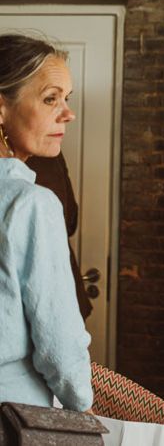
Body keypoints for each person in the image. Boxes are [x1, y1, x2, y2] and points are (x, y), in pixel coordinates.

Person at [0, 33, 93, 411]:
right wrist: (82, 403)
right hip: (16, 415)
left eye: (66, 99)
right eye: (50, 98)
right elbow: (60, 345)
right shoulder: (32, 205)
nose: (67, 113)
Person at [26, 152, 93, 320]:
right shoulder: (47, 152)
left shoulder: (47, 152)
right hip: (58, 297)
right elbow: (70, 221)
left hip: (54, 298)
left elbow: (70, 221)